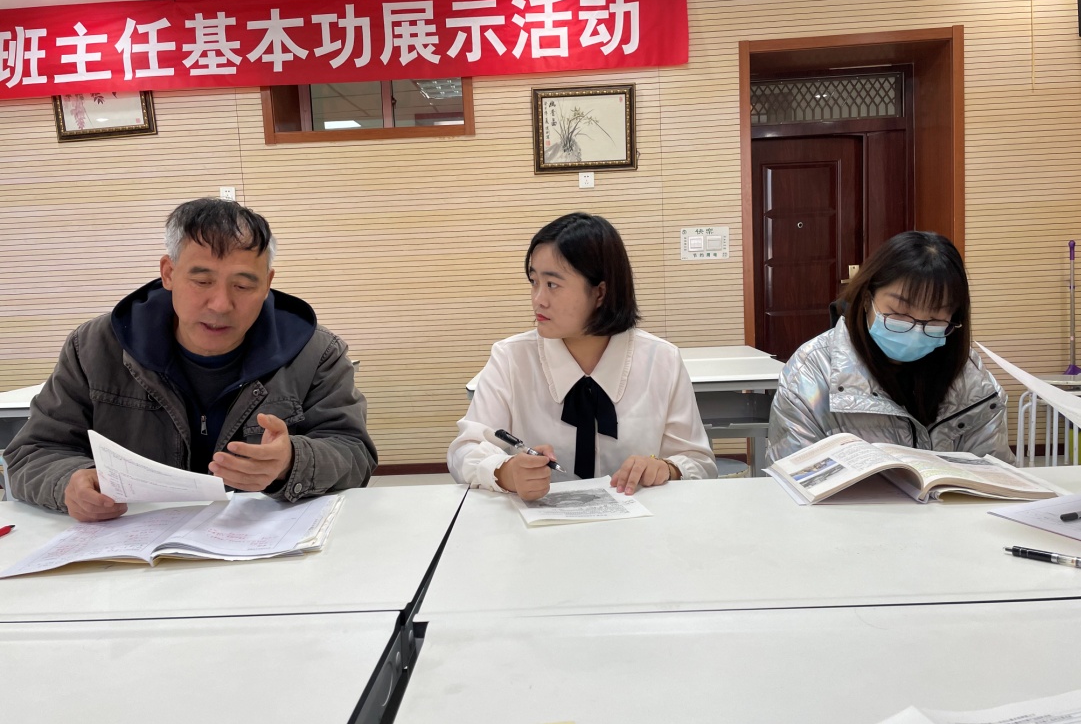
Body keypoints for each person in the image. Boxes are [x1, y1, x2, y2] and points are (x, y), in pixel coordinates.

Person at [4, 198, 377, 521]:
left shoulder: (315, 352)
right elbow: (33, 452)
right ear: (168, 273)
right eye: (202, 281)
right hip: (132, 549)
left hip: (259, 547)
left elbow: (353, 451)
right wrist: (69, 482)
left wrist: (290, 461)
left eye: (243, 285)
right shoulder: (95, 347)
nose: (221, 304)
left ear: (267, 284)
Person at [448, 212, 717, 499]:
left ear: (600, 293)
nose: (538, 299)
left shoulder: (661, 360)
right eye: (534, 281)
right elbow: (464, 450)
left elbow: (700, 462)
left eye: (552, 284)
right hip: (534, 522)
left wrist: (666, 468)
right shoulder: (511, 358)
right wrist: (505, 471)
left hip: (641, 521)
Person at [767, 231, 1012, 464]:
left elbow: (995, 469)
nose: (916, 329)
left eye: (935, 318)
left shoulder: (970, 378)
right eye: (899, 312)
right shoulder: (812, 372)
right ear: (867, 299)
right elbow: (793, 472)